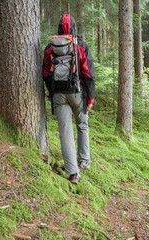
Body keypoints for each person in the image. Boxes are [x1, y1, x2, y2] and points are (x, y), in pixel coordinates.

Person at [43, 14, 95, 184]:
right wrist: (90, 98)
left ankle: (73, 173)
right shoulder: (81, 46)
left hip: (58, 95)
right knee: (82, 125)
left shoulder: (50, 48)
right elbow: (88, 74)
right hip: (78, 93)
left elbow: (45, 74)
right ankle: (84, 161)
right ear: (74, 27)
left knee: (65, 132)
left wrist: (52, 93)